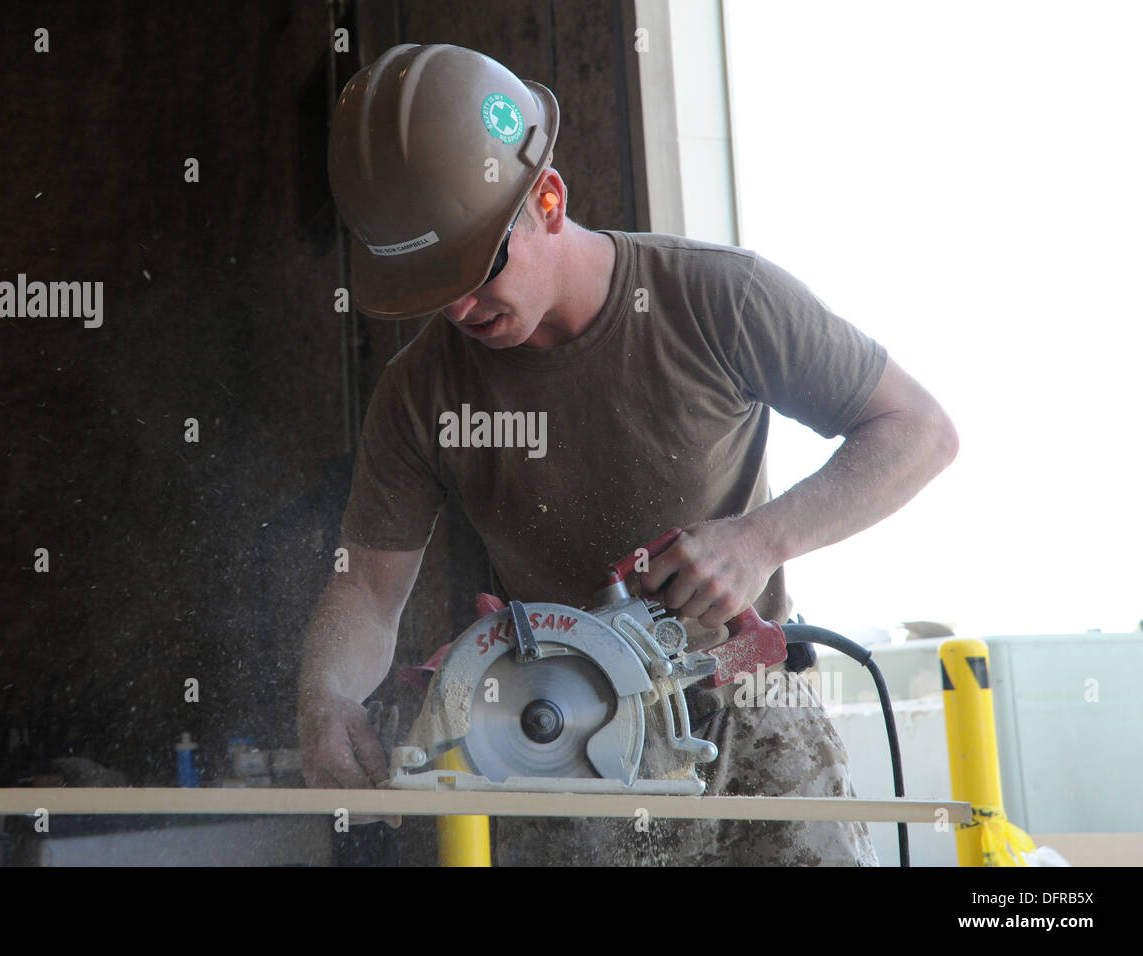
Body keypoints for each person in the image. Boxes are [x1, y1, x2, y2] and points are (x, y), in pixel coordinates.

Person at [298, 43, 958, 865]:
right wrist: (326, 699)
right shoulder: (420, 390)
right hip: (547, 734)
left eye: (480, 267)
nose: (462, 305)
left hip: (744, 709)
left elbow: (919, 430)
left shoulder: (718, 298)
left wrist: (759, 541)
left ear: (547, 198)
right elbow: (366, 586)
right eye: (435, 287)